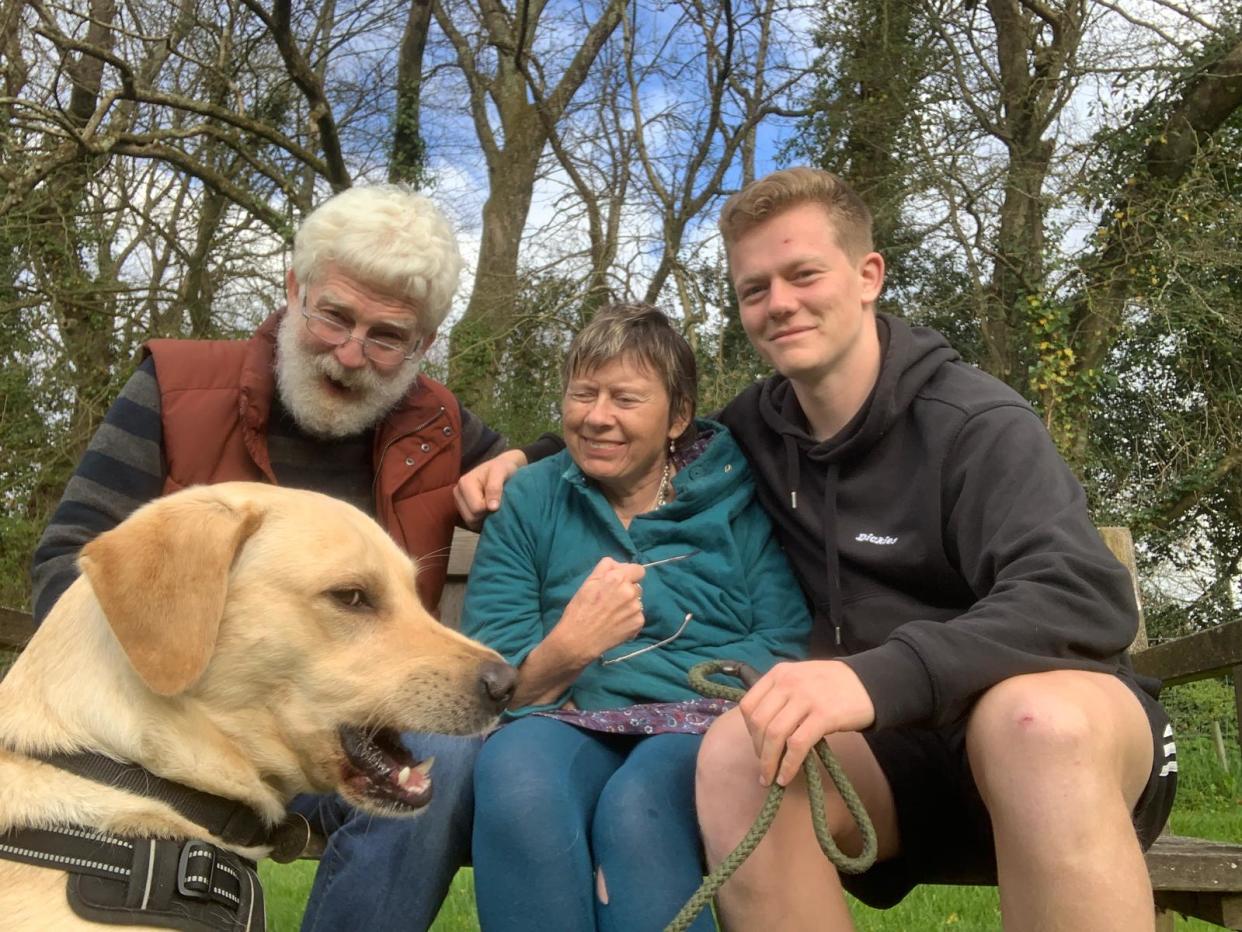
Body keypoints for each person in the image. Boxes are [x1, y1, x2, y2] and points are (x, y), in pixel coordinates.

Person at [454, 168, 1177, 930]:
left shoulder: (974, 422)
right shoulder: (754, 434)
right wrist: (524, 458)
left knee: (1031, 720)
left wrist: (871, 679)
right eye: (755, 288)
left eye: (803, 274)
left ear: (869, 275)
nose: (780, 303)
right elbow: (630, 424)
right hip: (888, 754)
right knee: (738, 757)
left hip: (1049, 738)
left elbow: (1079, 596)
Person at [30, 184, 518, 932]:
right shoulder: (177, 383)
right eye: (335, 315)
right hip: (162, 729)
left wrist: (527, 458)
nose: (352, 354)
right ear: (293, 289)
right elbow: (71, 563)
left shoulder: (440, 426)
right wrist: (189, 658)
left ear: (421, 348)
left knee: (444, 765)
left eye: (386, 337)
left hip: (338, 739)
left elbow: (587, 448)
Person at [461, 304, 810, 932]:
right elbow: (495, 671)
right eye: (582, 394)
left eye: (626, 398)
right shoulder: (531, 498)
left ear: (677, 416)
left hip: (701, 725)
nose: (598, 417)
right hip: (561, 718)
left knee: (640, 807)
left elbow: (781, 641)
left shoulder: (735, 499)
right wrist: (571, 646)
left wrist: (694, 691)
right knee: (518, 780)